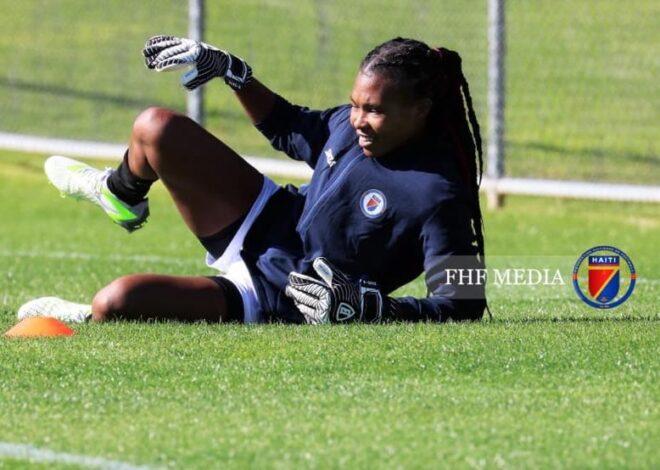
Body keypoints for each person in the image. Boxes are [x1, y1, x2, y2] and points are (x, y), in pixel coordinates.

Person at [18, 35, 487, 325]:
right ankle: (119, 194)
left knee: (115, 302)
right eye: (356, 104)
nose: (358, 119)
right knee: (155, 128)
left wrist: (377, 309)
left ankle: (83, 316)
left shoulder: (440, 193)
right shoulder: (349, 125)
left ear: (421, 111)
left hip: (280, 294)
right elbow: (288, 126)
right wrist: (232, 72)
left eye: (375, 110)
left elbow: (461, 304)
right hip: (264, 219)